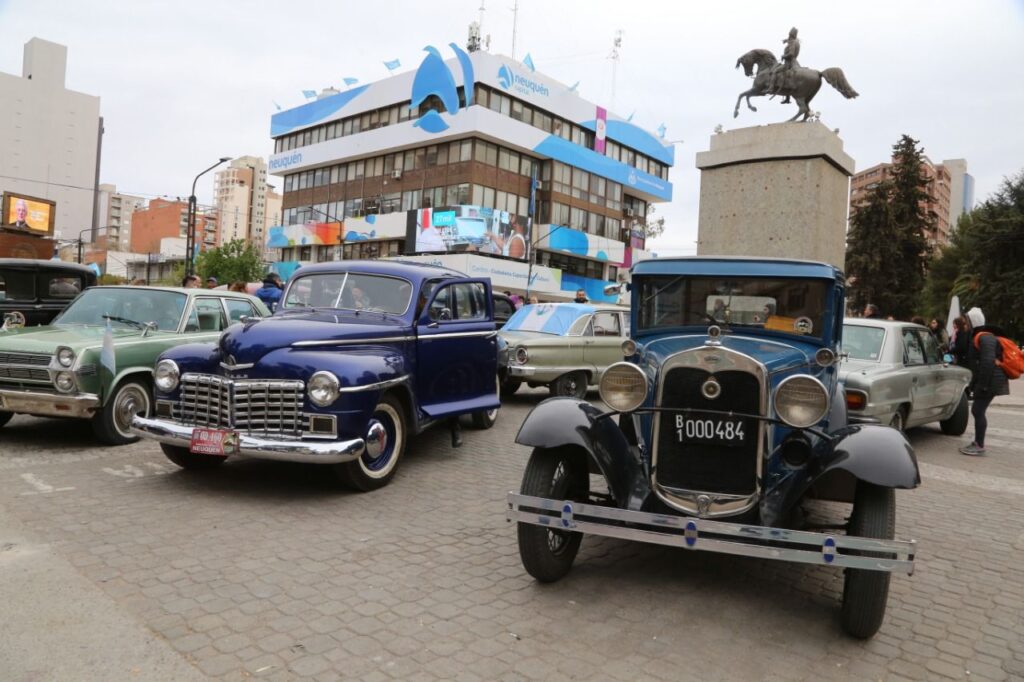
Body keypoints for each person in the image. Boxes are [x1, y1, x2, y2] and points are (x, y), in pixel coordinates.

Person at [960, 307, 1010, 456]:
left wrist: (982, 385)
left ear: (972, 321)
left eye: (967, 321)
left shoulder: (985, 336)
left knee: (977, 410)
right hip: (989, 379)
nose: (965, 324)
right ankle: (977, 442)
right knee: (978, 410)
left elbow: (987, 362)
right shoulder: (980, 335)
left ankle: (979, 445)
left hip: (991, 380)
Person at [767, 27, 801, 103]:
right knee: (785, 76)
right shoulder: (796, 41)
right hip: (795, 62)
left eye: (789, 34)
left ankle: (770, 88)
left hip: (789, 63)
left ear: (791, 34)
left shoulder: (792, 42)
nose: (789, 35)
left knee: (775, 71)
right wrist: (786, 41)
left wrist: (784, 56)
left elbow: (791, 54)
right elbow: (790, 41)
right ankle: (787, 99)